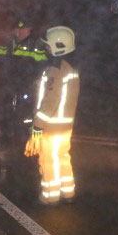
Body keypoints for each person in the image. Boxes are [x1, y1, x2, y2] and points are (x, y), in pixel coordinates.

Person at [0, 20, 48, 185]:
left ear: (30, 29)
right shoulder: (7, 45)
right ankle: (4, 173)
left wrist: (23, 76)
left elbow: (43, 67)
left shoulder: (37, 47)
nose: (20, 32)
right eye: (17, 29)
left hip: (25, 100)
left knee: (26, 137)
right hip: (5, 98)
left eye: (24, 29)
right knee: (2, 137)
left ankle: (30, 174)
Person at [24, 26, 80, 204]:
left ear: (57, 47)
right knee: (62, 157)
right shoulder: (69, 68)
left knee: (48, 160)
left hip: (52, 126)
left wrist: (38, 126)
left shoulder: (55, 70)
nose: (45, 49)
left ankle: (51, 196)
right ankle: (68, 192)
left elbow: (50, 101)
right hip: (64, 125)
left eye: (48, 46)